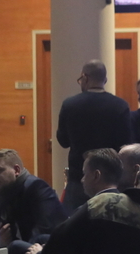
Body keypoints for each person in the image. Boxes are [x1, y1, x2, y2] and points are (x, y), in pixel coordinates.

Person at [55, 59, 132, 211]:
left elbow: (63, 140)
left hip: (79, 175)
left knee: (75, 223)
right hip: (111, 178)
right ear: (105, 80)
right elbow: (126, 143)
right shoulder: (120, 105)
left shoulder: (70, 104)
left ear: (85, 77)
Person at [0, 149, 66, 254]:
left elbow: (44, 231)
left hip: (48, 253)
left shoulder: (37, 188)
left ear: (17, 170)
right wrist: (0, 243)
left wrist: (10, 248)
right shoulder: (0, 196)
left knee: (16, 247)